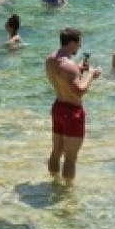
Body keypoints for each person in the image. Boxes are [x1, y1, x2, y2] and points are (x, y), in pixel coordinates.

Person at [44, 27, 102, 181]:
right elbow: (79, 91)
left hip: (58, 106)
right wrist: (90, 75)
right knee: (70, 158)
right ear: (71, 43)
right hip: (72, 112)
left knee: (56, 151)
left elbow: (63, 79)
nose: (80, 47)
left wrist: (78, 70)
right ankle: (67, 194)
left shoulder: (50, 59)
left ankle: (54, 182)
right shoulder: (69, 66)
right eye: (78, 44)